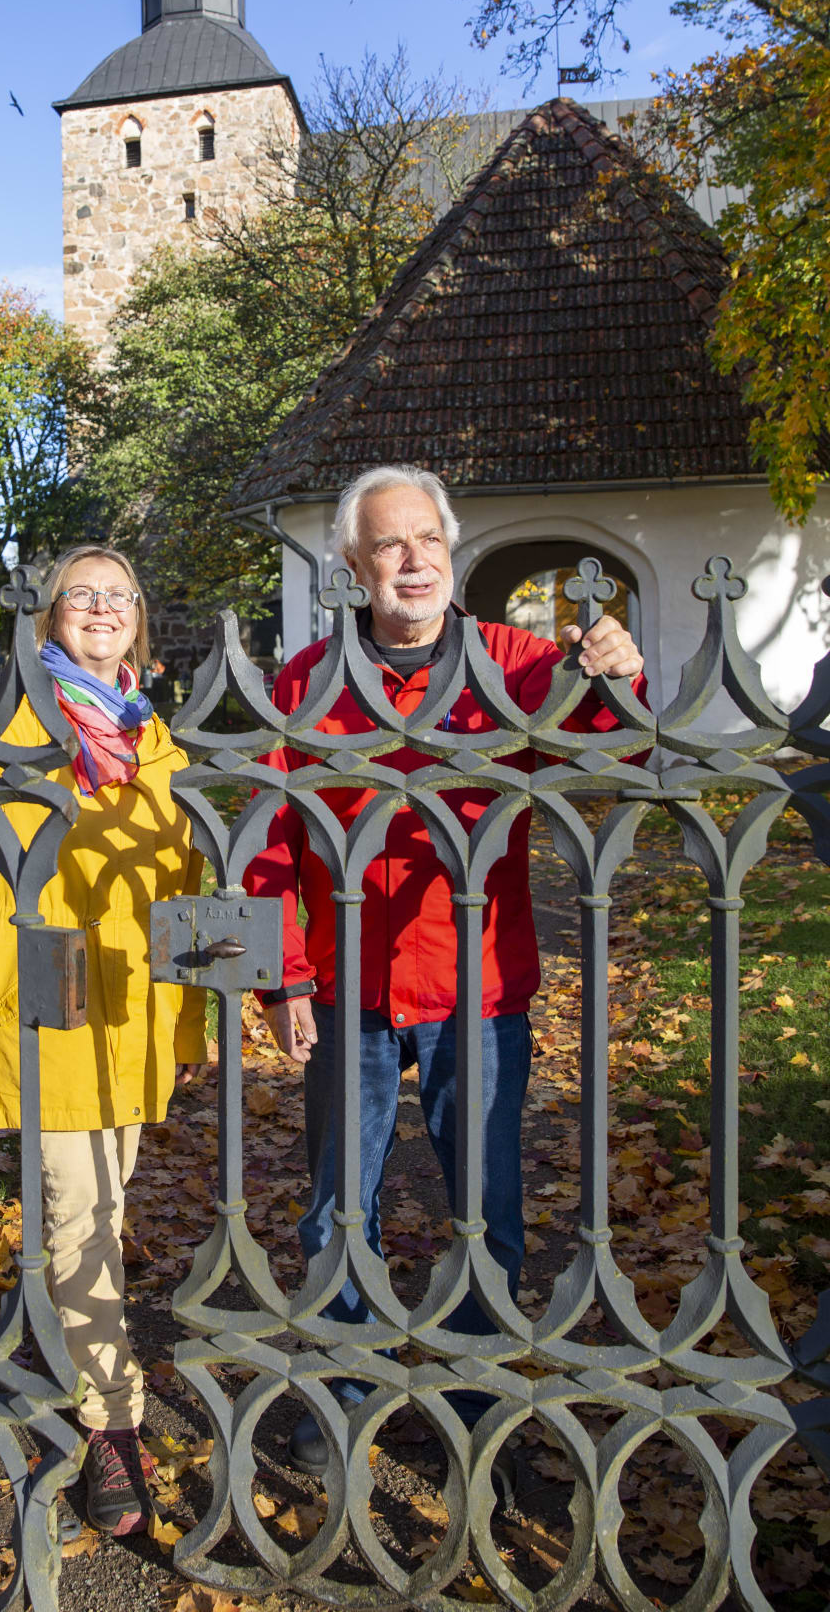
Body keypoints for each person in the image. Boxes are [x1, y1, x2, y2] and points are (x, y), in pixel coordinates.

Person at [245, 466, 645, 1477]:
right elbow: (267, 843)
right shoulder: (305, 681)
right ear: (351, 564)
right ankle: (337, 1390)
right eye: (389, 544)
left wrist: (613, 678)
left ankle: (478, 1395)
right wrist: (283, 977)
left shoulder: (513, 663)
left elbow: (613, 764)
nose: (413, 560)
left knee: (484, 1203)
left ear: (450, 550)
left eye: (428, 540)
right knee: (340, 1202)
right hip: (349, 989)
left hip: (475, 985)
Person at [0, 546, 205, 1536]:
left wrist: (210, 998)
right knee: (78, 1206)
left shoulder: (156, 736)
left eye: (119, 595)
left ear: (137, 622)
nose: (101, 607)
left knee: (102, 1202)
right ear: (48, 617)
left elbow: (186, 866)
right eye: (82, 594)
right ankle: (112, 1428)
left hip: (136, 994)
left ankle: (81, 1345)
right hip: (51, 983)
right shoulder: (5, 715)